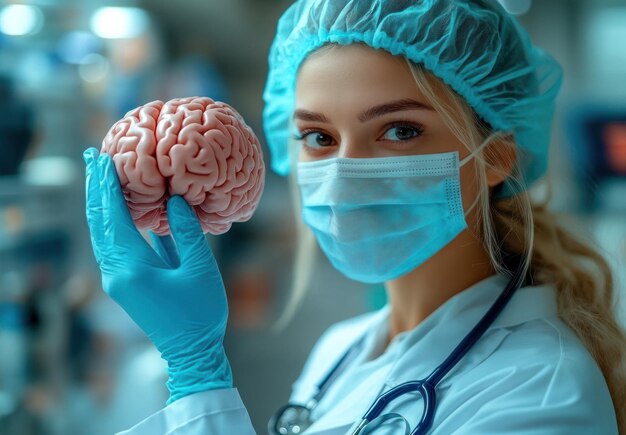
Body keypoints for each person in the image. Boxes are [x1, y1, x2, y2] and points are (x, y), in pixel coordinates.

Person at [83, 0, 626, 433]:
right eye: (318, 137)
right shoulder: (341, 350)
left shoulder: (543, 393)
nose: (343, 173)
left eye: (400, 131)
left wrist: (197, 376)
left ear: (496, 157)